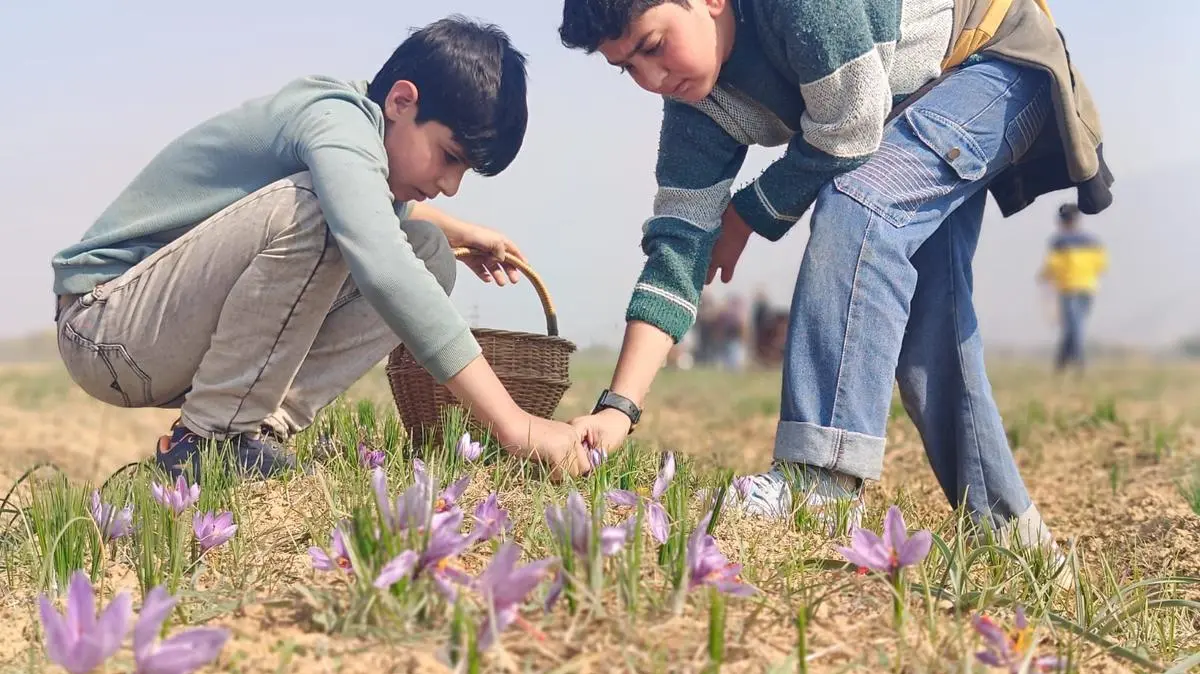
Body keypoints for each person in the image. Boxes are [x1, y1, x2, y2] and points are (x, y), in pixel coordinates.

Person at [559, 0, 1113, 550]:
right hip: (910, 106)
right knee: (928, 320)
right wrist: (618, 410)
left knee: (861, 205)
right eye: (627, 67)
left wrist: (747, 214)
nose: (652, 79)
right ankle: (1017, 537)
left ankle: (820, 483)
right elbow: (677, 251)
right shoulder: (695, 109)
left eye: (653, 46)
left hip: (992, 59)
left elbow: (850, 125)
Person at [51, 17, 590, 481]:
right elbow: (379, 259)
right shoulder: (336, 120)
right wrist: (514, 425)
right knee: (325, 214)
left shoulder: (359, 146)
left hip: (162, 334)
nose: (450, 184)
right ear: (402, 101)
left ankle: (250, 430)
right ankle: (211, 436)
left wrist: (457, 232)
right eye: (449, 157)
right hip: (106, 328)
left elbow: (386, 227)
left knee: (425, 250)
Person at [1039, 203, 1107, 373]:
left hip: (1070, 289)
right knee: (1075, 326)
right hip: (1086, 287)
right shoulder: (1093, 242)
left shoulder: (1059, 242)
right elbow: (1102, 265)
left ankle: (1077, 363)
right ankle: (1063, 363)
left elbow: (1051, 266)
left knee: (1074, 327)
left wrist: (1044, 277)